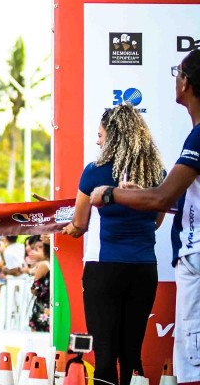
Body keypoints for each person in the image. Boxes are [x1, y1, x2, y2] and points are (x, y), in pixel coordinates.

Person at [89, 50, 200, 385]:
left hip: (191, 255)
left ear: (187, 83)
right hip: (149, 267)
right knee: (135, 355)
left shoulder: (197, 136)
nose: (175, 80)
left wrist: (110, 194)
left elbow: (162, 197)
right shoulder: (174, 152)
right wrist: (142, 197)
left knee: (191, 357)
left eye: (177, 73)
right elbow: (169, 205)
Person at [62, 102, 166, 385]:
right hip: (144, 269)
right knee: (132, 353)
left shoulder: (95, 171)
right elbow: (156, 221)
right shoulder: (156, 173)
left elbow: (79, 224)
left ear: (113, 136)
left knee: (105, 355)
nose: (97, 140)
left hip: (103, 271)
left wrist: (65, 228)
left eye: (100, 134)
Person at [28, 235, 50, 333]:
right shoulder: (56, 263)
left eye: (40, 247)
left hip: (43, 309)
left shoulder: (44, 265)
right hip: (54, 307)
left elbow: (35, 288)